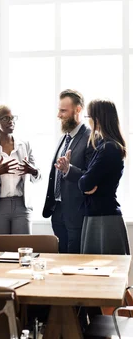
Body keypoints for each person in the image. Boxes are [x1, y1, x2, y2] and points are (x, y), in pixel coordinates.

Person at [68, 99, 129, 255]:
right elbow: (87, 182)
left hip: (104, 218)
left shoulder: (109, 147)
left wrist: (86, 182)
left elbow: (85, 183)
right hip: (98, 214)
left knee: (106, 271)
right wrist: (86, 182)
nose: (87, 120)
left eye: (89, 116)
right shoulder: (104, 145)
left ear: (98, 118)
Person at [0, 105, 41, 236]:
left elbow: (37, 177)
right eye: (6, 118)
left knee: (23, 250)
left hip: (22, 205)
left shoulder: (25, 145)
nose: (11, 121)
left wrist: (33, 171)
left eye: (12, 118)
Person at [42, 89, 93, 254]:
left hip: (76, 212)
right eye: (59, 110)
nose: (59, 115)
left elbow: (91, 177)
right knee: (61, 259)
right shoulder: (64, 138)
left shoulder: (90, 138)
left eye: (63, 110)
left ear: (78, 110)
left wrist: (68, 169)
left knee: (74, 261)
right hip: (57, 210)